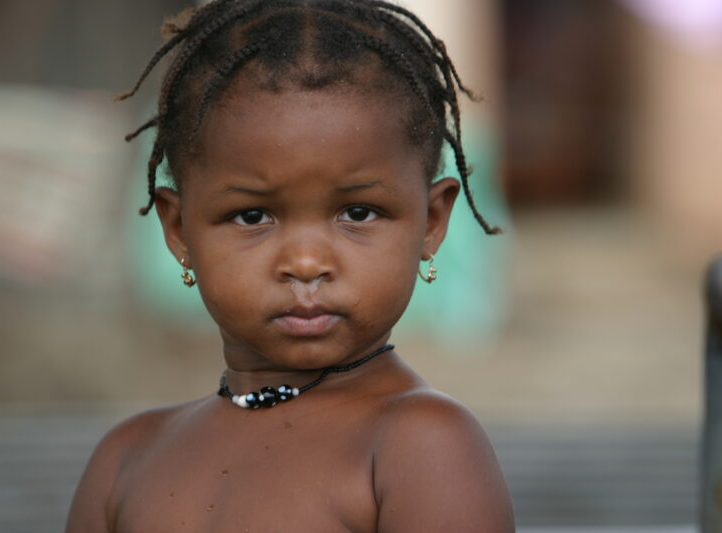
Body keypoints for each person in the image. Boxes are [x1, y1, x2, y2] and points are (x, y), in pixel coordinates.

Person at [65, 1, 514, 531]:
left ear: (432, 222)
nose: (305, 263)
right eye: (252, 215)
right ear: (179, 230)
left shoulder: (416, 446)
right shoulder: (126, 460)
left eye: (358, 213)